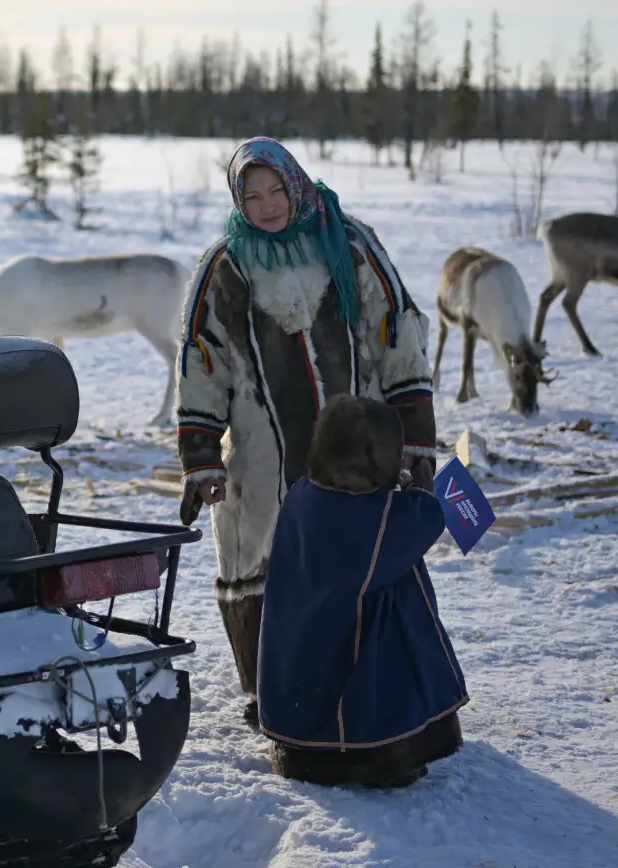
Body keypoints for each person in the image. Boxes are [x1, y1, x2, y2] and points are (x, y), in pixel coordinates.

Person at [176, 137, 436, 715]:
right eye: (252, 196)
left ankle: (369, 682)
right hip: (262, 454)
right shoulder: (226, 266)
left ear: (296, 183)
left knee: (361, 552)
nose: (268, 206)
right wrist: (201, 460)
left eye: (275, 191)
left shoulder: (349, 244)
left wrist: (414, 438)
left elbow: (397, 335)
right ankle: (275, 692)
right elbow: (203, 362)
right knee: (262, 556)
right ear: (237, 201)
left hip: (360, 445)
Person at [255, 394, 467, 788]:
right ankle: (370, 752)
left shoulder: (304, 493)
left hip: (294, 676)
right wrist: (421, 486)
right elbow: (422, 522)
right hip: (337, 689)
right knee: (392, 612)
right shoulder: (371, 518)